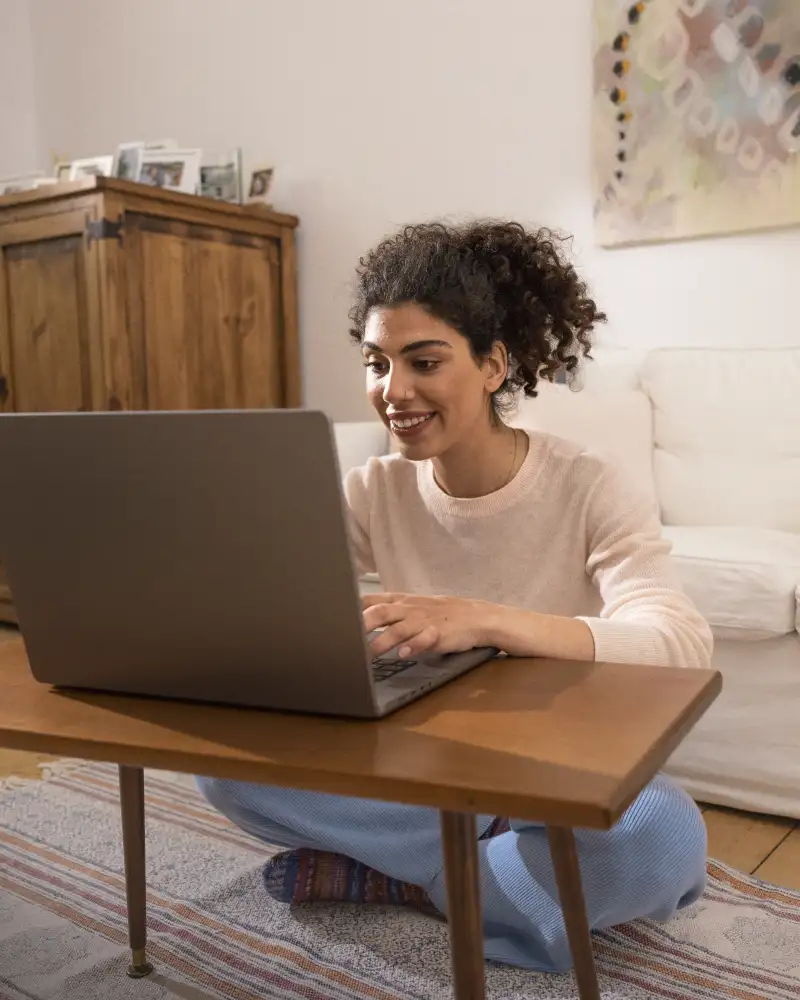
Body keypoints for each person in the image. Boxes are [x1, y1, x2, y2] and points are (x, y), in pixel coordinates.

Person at [198, 220, 713, 973]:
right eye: (377, 364)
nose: (393, 390)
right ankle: (483, 878)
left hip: (552, 769)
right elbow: (277, 596)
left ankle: (405, 877)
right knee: (223, 767)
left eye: (425, 361)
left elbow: (681, 643)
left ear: (493, 365)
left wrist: (485, 621)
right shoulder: (374, 488)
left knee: (663, 836)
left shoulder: (588, 484)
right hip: (424, 765)